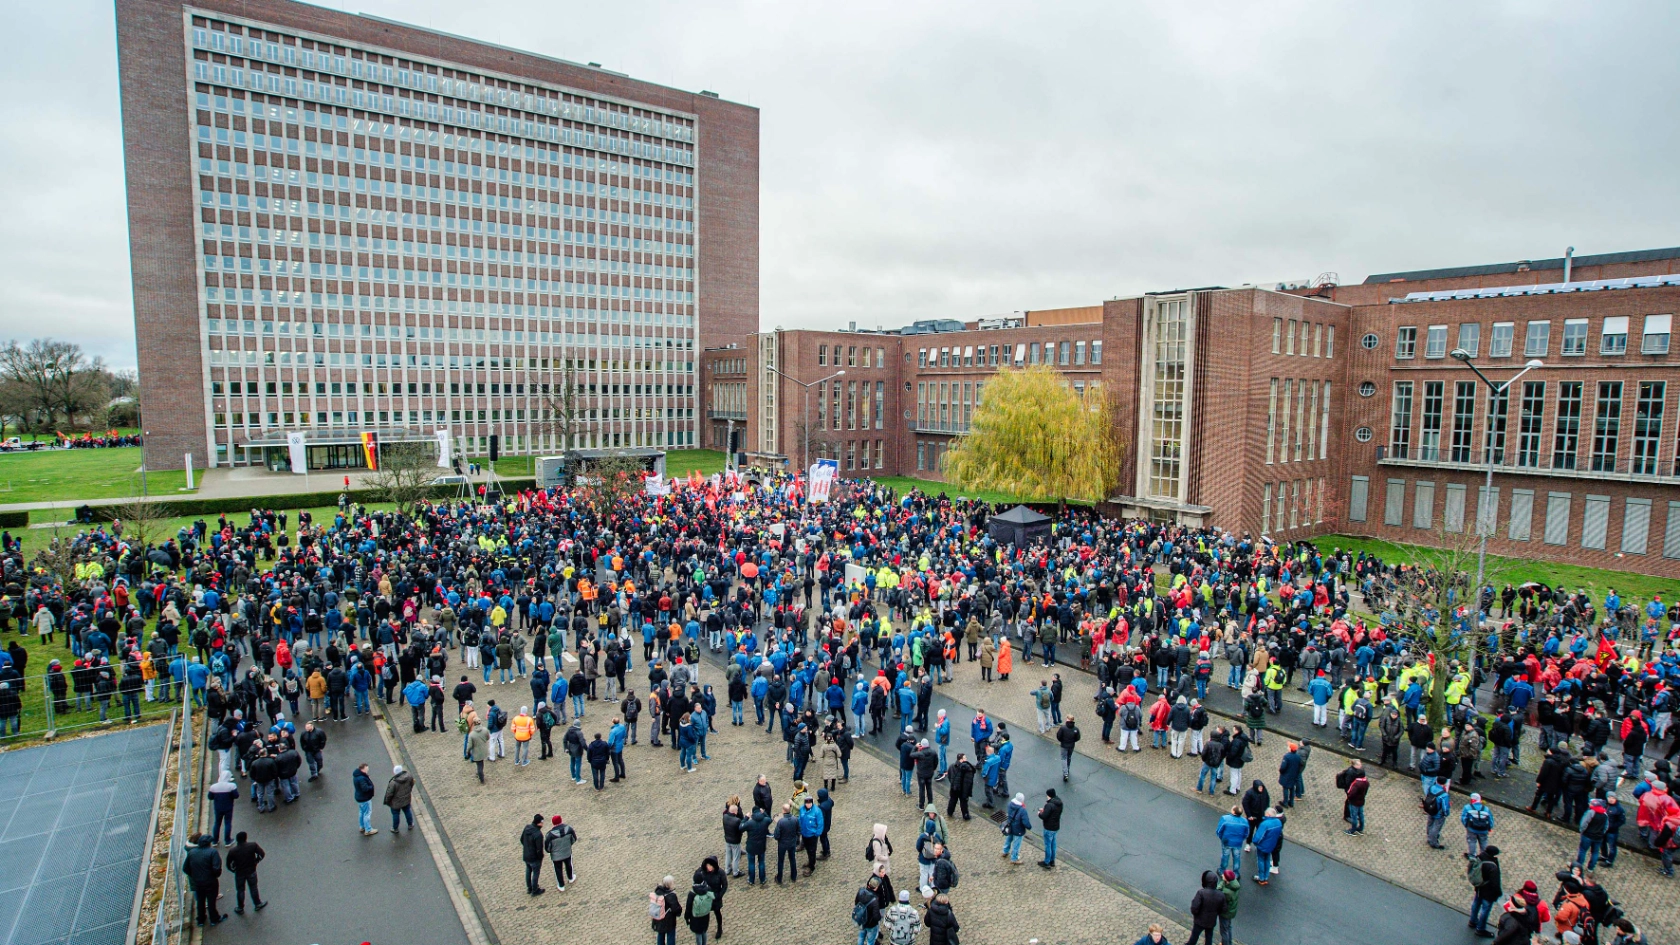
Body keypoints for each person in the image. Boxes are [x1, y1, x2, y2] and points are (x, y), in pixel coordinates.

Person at [181, 835, 223, 927]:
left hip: (198, 882)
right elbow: (217, 868)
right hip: (210, 882)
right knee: (211, 901)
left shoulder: (192, 853)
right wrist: (214, 876)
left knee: (200, 901)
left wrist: (194, 875)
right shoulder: (213, 852)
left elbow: (185, 868)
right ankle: (214, 919)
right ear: (209, 843)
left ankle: (201, 919)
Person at [226, 831, 267, 914]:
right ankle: (257, 903)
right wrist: (256, 860)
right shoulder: (252, 845)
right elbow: (262, 854)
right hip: (251, 871)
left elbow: (228, 864)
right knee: (253, 887)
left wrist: (233, 870)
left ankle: (240, 908)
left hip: (239, 873)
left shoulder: (233, 851)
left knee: (240, 890)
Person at [1467, 845, 1501, 938]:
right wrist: (1498, 893)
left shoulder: (1479, 857)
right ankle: (1480, 929)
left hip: (1479, 888)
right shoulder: (1492, 866)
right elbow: (1495, 883)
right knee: (1485, 910)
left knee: (1476, 904)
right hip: (1488, 892)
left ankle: (1472, 921)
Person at [1187, 869, 1226, 945]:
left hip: (1199, 921)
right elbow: (1224, 909)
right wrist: (1216, 913)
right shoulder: (1221, 895)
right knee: (1209, 937)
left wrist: (1196, 915)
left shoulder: (1201, 893)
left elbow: (1194, 908)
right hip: (1211, 921)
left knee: (1194, 936)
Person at [546, 815, 577, 891]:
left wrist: (552, 851)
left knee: (558, 870)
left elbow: (547, 848)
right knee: (569, 865)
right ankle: (571, 878)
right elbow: (574, 839)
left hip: (556, 857)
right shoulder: (569, 829)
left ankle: (561, 885)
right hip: (567, 852)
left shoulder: (550, 835)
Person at [774, 803, 802, 884]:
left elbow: (776, 835)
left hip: (782, 844)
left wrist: (779, 839)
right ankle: (794, 876)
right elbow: (799, 831)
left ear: (783, 811)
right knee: (792, 859)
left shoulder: (781, 822)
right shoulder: (795, 819)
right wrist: (796, 840)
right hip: (792, 843)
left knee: (781, 861)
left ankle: (779, 878)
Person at [1215, 805, 1247, 875]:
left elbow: (1219, 831)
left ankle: (1222, 871)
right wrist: (1241, 839)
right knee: (1236, 857)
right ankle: (1236, 873)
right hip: (1238, 843)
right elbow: (1246, 834)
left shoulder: (1225, 818)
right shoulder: (1244, 821)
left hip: (1227, 841)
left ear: (1233, 812)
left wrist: (1222, 838)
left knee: (1225, 856)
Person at [650, 876, 682, 945]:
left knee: (660, 935)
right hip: (669, 920)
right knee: (670, 936)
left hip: (658, 917)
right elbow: (676, 908)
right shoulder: (671, 895)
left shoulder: (658, 892)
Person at [384, 764, 415, 833]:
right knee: (407, 811)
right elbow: (412, 784)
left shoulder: (393, 782)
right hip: (406, 799)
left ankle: (395, 828)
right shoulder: (409, 776)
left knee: (396, 814)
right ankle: (410, 824)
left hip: (396, 802)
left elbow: (389, 794)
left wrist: (387, 801)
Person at [1461, 792, 1495, 857]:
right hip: (1483, 830)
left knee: (1472, 842)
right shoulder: (1486, 809)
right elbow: (1491, 819)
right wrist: (1489, 828)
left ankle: (1472, 855)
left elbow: (1463, 818)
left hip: (1472, 829)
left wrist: (1467, 825)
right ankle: (1484, 856)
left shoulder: (1467, 807)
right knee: (1483, 842)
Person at [685, 874, 715, 945]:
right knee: (704, 931)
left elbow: (688, 907)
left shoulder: (692, 893)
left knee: (698, 933)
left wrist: (686, 917)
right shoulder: (708, 888)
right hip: (705, 914)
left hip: (695, 917)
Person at [1002, 792, 1032, 863]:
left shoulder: (1010, 804)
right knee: (1016, 844)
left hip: (1010, 826)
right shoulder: (1022, 810)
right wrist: (1029, 827)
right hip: (1018, 829)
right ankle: (1014, 859)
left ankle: (1005, 851)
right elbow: (1025, 822)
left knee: (1008, 839)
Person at [854, 877, 885, 945]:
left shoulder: (861, 891)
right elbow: (876, 916)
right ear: (876, 888)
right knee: (870, 941)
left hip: (861, 920)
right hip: (871, 924)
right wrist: (880, 917)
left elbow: (856, 903)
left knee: (861, 936)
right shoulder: (875, 899)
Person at [207, 776, 238, 845]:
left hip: (218, 808)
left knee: (217, 823)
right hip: (228, 808)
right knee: (227, 823)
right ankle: (227, 840)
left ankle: (215, 840)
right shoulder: (231, 786)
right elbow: (236, 796)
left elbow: (210, 797)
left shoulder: (213, 787)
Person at [521, 814, 546, 895]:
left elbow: (522, 840)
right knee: (535, 873)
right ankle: (535, 890)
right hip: (534, 858)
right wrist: (540, 857)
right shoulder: (538, 834)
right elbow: (539, 849)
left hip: (526, 855)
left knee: (528, 871)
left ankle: (529, 888)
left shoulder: (526, 828)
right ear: (539, 823)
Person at [1038, 788, 1063, 869]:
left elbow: (1044, 816)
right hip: (1055, 827)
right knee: (1053, 844)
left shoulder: (1049, 805)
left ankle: (1047, 862)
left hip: (1048, 828)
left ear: (1049, 796)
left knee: (1048, 845)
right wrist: (1045, 810)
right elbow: (1053, 813)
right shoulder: (1059, 803)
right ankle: (1052, 861)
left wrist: (1039, 813)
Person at [945, 753, 975, 820]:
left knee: (952, 800)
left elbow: (949, 776)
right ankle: (965, 815)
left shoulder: (952, 766)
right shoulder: (968, 769)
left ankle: (950, 812)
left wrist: (953, 783)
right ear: (961, 759)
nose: (966, 759)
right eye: (965, 758)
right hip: (963, 790)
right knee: (964, 803)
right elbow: (968, 781)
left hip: (954, 788)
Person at [353, 763, 378, 835]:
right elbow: (365, 788)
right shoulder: (362, 778)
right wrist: (371, 787)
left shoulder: (356, 776)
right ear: (363, 769)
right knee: (367, 813)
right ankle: (368, 829)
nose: (368, 770)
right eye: (367, 769)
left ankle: (362, 826)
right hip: (365, 798)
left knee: (361, 812)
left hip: (359, 797)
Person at [1216, 870, 1241, 945]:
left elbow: (1218, 890)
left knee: (1224, 931)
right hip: (1231, 911)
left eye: (1224, 875)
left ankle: (1225, 943)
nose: (1222, 875)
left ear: (1227, 879)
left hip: (1225, 913)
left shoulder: (1227, 892)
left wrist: (1221, 884)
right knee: (1228, 927)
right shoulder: (1234, 884)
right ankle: (1229, 942)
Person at [1056, 716, 1081, 782]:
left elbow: (1058, 736)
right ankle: (1068, 768)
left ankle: (1065, 773)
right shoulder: (1076, 729)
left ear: (1068, 720)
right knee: (1069, 757)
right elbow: (1078, 738)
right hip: (1071, 745)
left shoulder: (1063, 728)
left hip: (1064, 745)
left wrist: (1062, 741)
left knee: (1063, 758)